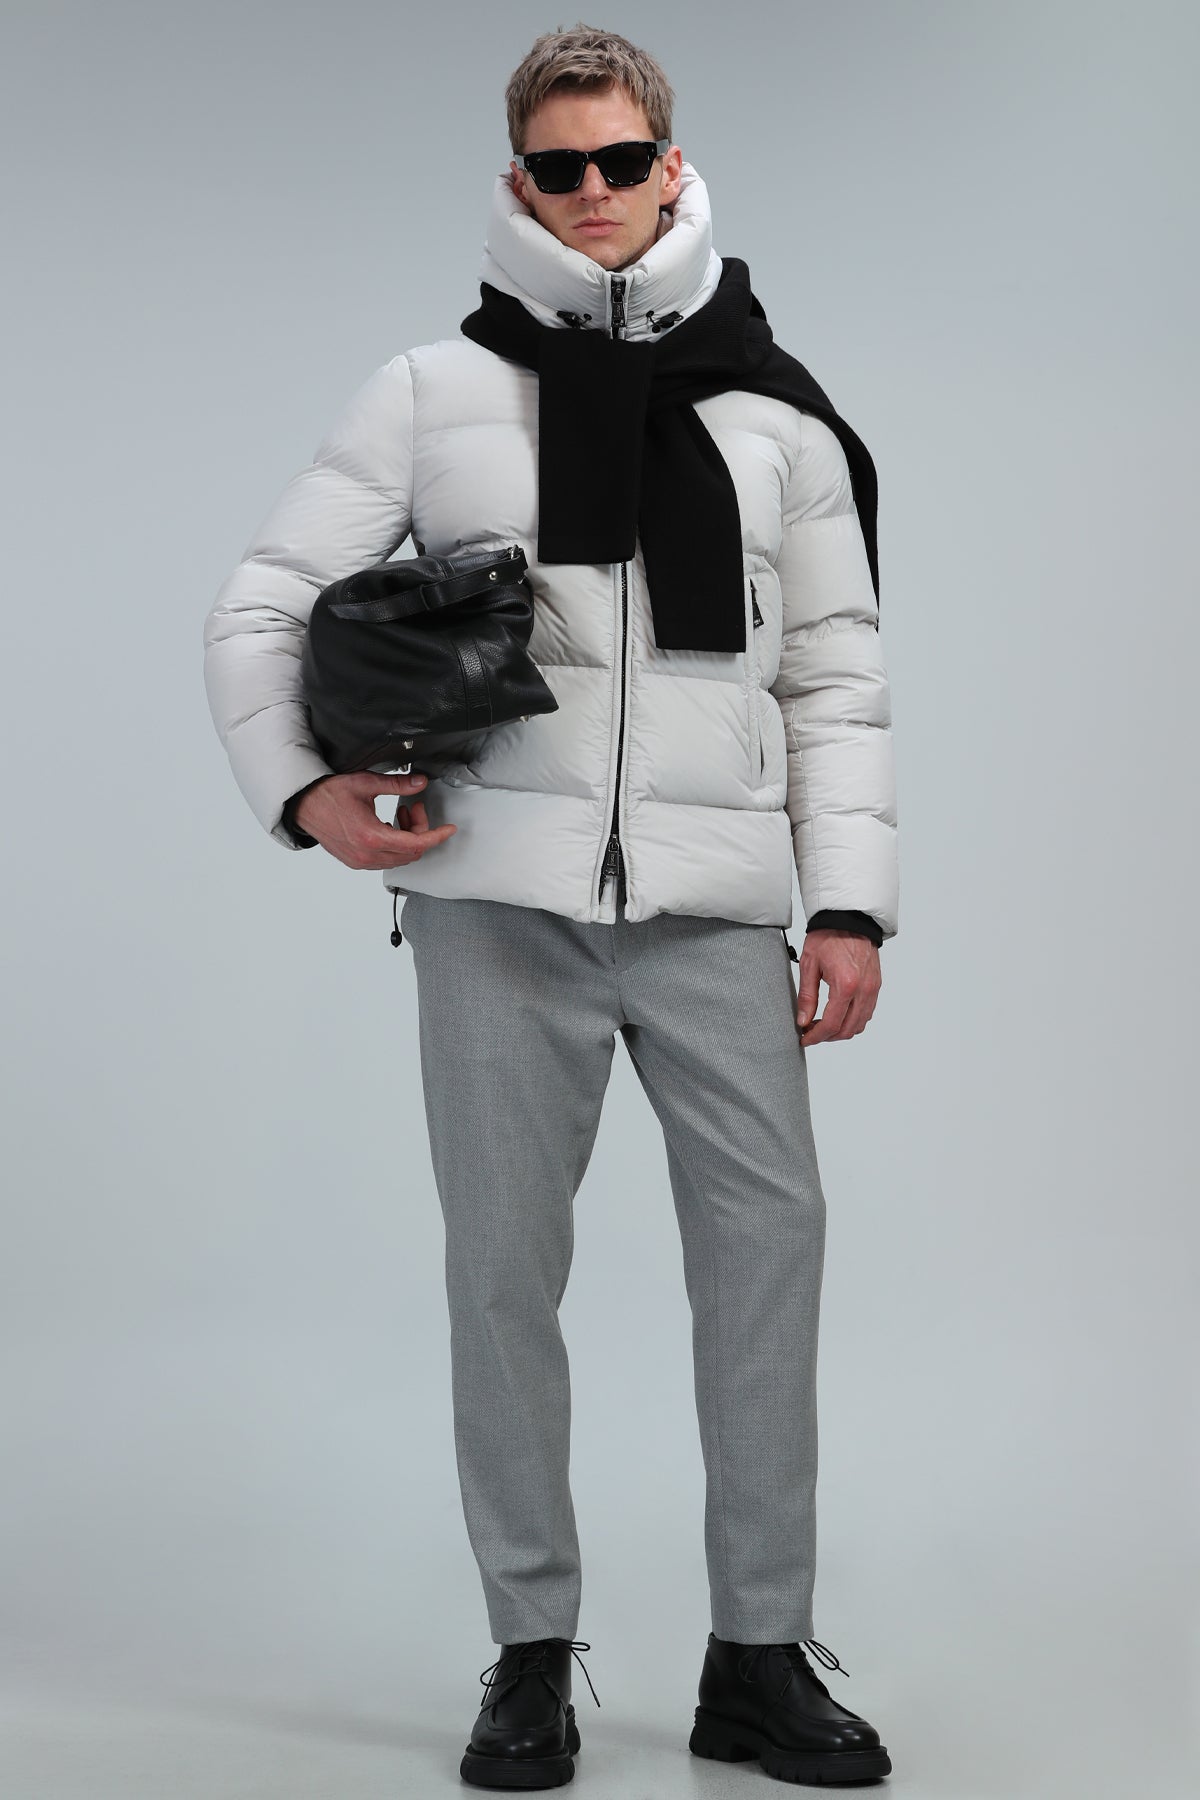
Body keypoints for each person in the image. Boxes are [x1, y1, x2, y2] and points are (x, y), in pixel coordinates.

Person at [203, 23, 898, 1792]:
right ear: (520, 181)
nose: (595, 193)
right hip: (495, 912)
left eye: (622, 161)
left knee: (771, 1261)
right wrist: (304, 790)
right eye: (561, 167)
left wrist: (851, 907)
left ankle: (758, 1659)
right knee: (504, 1278)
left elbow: (835, 675)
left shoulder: (776, 416)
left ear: (674, 166)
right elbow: (263, 600)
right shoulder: (432, 391)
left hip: (719, 909)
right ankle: (528, 1654)